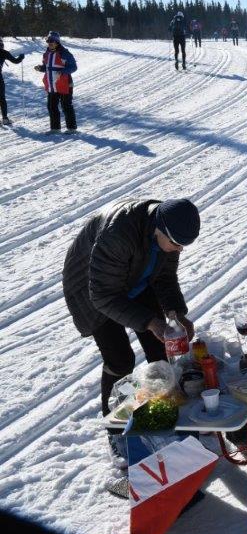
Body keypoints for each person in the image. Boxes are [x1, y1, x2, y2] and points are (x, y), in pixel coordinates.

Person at [62, 198, 200, 465]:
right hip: (92, 290)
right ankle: (115, 432)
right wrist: (150, 321)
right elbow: (103, 295)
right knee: (120, 360)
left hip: (133, 277)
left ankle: (163, 416)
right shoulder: (118, 236)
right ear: (159, 229)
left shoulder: (168, 229)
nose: (180, 249)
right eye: (176, 244)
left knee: (160, 347)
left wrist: (176, 314)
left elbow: (165, 277)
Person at [34, 31, 77, 133]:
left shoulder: (65, 53)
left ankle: (71, 128)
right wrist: (41, 68)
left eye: (52, 41)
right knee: (51, 106)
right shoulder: (46, 54)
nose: (49, 43)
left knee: (66, 106)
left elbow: (73, 67)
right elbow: (47, 67)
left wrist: (62, 72)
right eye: (48, 41)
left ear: (57, 42)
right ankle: (55, 128)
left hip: (65, 84)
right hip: (52, 85)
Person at [0, 39, 25, 126]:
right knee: (2, 98)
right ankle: (5, 119)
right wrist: (21, 57)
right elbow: (16, 61)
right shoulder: (3, 52)